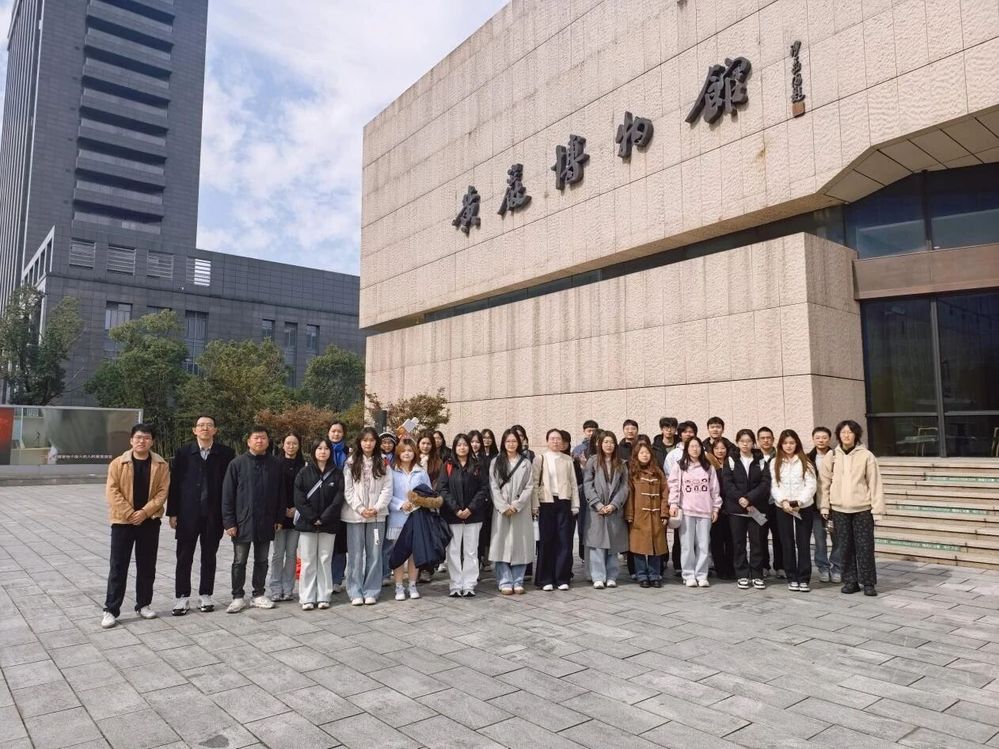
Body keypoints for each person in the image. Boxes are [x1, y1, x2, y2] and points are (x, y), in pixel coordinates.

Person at [101, 423, 170, 628]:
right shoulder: (118, 463)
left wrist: (144, 512)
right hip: (123, 522)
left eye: (146, 438)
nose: (142, 441)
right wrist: (131, 513)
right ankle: (111, 609)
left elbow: (163, 492)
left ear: (152, 441)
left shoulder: (161, 464)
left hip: (149, 521)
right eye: (138, 437)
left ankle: (143, 604)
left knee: (147, 565)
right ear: (131, 440)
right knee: (118, 566)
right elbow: (112, 491)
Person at [167, 415, 235, 616]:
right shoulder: (183, 453)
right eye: (201, 425)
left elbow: (230, 487)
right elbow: (175, 484)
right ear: (194, 430)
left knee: (209, 556)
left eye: (209, 425)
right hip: (187, 514)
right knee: (184, 556)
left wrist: (228, 515)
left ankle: (206, 594)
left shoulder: (225, 453)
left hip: (214, 514)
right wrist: (173, 512)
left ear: (215, 430)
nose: (205, 428)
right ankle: (182, 597)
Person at [222, 426, 285, 613]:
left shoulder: (275, 464)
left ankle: (258, 594)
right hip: (242, 521)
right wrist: (229, 522)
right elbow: (227, 495)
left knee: (262, 559)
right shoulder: (237, 464)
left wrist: (279, 517)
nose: (259, 441)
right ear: (248, 441)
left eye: (263, 438)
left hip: (266, 520)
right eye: (256, 438)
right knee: (239, 561)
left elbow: (281, 493)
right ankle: (237, 596)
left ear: (268, 441)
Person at [819, 420, 885, 597]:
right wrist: (824, 505)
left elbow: (875, 483)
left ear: (856, 435)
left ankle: (868, 582)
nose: (846, 435)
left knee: (865, 547)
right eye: (843, 432)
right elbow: (824, 483)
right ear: (838, 435)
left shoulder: (866, 456)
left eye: (850, 432)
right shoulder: (832, 455)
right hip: (839, 509)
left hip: (862, 509)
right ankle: (850, 581)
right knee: (844, 547)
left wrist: (877, 510)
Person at [343, 427, 393, 605]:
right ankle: (355, 591)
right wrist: (360, 508)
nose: (368, 443)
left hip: (377, 516)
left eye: (371, 440)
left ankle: (371, 590)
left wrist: (377, 507)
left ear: (376, 442)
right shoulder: (350, 462)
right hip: (355, 515)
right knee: (355, 554)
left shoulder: (384, 461)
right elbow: (348, 489)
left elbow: (388, 488)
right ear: (359, 442)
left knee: (375, 553)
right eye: (365, 440)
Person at [294, 438, 344, 610]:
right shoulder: (304, 473)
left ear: (330, 452)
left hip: (328, 524)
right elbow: (299, 498)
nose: (323, 451)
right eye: (319, 448)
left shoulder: (337, 473)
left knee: (325, 559)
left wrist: (324, 518)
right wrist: (312, 517)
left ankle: (324, 595)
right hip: (307, 524)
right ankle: (307, 597)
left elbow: (338, 499)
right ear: (314, 451)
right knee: (308, 560)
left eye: (326, 448)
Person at [439, 433, 489, 597]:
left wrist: (470, 508)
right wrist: (456, 509)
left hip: (473, 515)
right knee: (453, 550)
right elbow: (442, 489)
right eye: (459, 445)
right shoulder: (448, 465)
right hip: (452, 515)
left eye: (465, 444)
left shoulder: (477, 466)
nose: (462, 447)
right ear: (454, 447)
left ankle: (469, 584)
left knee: (471, 550)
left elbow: (483, 489)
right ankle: (455, 584)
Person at [489, 429, 537, 594]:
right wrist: (503, 506)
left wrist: (517, 505)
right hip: (501, 510)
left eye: (514, 441)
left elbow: (529, 486)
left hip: (520, 510)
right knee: (501, 544)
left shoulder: (526, 463)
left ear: (519, 442)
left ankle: (518, 580)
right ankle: (504, 581)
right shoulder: (496, 462)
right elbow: (493, 486)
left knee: (520, 544)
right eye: (508, 441)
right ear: (503, 443)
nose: (511, 444)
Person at [668, 438, 721, 588]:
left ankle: (702, 575)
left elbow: (714, 489)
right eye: (691, 446)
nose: (695, 449)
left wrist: (716, 508)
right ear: (686, 449)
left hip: (705, 511)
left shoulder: (708, 467)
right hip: (686, 511)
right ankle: (688, 575)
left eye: (697, 446)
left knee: (703, 545)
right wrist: (673, 504)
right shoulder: (680, 466)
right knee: (687, 545)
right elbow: (673, 486)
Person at [723, 429, 772, 590]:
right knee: (739, 543)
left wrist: (749, 498)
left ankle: (757, 574)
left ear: (753, 443)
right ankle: (742, 574)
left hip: (756, 508)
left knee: (757, 542)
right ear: (737, 442)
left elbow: (765, 483)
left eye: (749, 441)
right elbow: (727, 484)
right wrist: (741, 499)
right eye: (742, 441)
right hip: (736, 509)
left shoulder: (761, 460)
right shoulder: (731, 460)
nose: (745, 444)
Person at [770, 429, 817, 593]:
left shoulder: (806, 461)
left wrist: (799, 501)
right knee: (787, 542)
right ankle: (791, 577)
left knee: (803, 543)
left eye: (791, 442)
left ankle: (804, 578)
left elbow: (811, 485)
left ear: (797, 444)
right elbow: (774, 485)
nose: (788, 446)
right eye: (785, 443)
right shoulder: (775, 462)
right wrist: (783, 500)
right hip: (783, 507)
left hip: (803, 507)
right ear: (780, 445)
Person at [532, 429, 579, 591]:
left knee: (564, 541)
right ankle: (545, 579)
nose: (555, 441)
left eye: (558, 439)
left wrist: (575, 504)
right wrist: (535, 505)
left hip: (564, 501)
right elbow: (534, 482)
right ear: (547, 441)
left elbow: (573, 483)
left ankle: (562, 578)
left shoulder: (568, 459)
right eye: (552, 438)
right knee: (546, 541)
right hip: (546, 502)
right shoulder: (540, 458)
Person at [582, 431, 629, 589]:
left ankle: (611, 576)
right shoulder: (593, 461)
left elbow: (624, 487)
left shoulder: (621, 463)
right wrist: (597, 504)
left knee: (613, 545)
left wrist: (614, 505)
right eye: (606, 442)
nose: (609, 445)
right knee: (597, 544)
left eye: (611, 442)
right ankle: (598, 576)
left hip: (614, 509)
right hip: (596, 510)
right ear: (600, 444)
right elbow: (587, 484)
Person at [386, 438, 430, 601]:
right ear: (398, 453)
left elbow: (429, 493)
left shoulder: (421, 472)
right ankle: (398, 586)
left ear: (415, 453)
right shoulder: (391, 472)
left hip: (416, 517)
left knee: (413, 554)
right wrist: (400, 505)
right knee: (398, 553)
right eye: (403, 450)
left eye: (410, 450)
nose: (406, 453)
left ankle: (412, 584)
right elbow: (387, 495)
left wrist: (419, 502)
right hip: (398, 518)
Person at [625, 442, 668, 588]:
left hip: (656, 516)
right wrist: (630, 515)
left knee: (656, 547)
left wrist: (664, 513)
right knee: (639, 547)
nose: (645, 455)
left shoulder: (658, 472)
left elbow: (665, 493)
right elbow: (629, 495)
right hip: (639, 516)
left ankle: (655, 575)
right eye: (642, 453)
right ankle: (642, 575)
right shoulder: (632, 473)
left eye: (647, 452)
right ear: (636, 455)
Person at [268, 432, 304, 602]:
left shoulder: (304, 466)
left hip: (297, 515)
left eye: (294, 443)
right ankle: (275, 588)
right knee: (277, 554)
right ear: (282, 445)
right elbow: (272, 490)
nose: (291, 446)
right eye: (288, 443)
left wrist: (297, 509)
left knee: (291, 554)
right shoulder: (275, 464)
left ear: (299, 445)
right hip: (279, 516)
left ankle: (288, 588)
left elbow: (305, 491)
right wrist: (281, 510)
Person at [664, 421, 697, 576]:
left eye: (691, 431)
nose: (688, 434)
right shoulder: (673, 455)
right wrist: (674, 501)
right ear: (680, 434)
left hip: (698, 501)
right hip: (681, 500)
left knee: (698, 536)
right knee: (680, 535)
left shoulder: (701, 452)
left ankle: (697, 564)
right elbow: (669, 478)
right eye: (685, 432)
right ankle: (678, 564)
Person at [808, 427, 838, 583]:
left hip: (835, 504)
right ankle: (823, 568)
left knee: (837, 539)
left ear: (829, 439)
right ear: (813, 439)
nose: (821, 440)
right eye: (818, 437)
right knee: (820, 540)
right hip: (815, 506)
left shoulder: (837, 457)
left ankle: (837, 568)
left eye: (824, 437)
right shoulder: (807, 458)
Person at [415, 432, 444, 584]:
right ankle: (415, 569)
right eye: (423, 443)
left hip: (430, 503)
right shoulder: (413, 459)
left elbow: (439, 482)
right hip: (414, 502)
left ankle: (427, 569)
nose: (425, 446)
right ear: (418, 444)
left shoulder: (438, 462)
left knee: (429, 537)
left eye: (428, 444)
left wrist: (429, 496)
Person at [705, 439, 735, 580]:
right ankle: (720, 568)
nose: (720, 451)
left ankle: (731, 567)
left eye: (723, 448)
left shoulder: (733, 463)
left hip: (732, 507)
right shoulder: (708, 464)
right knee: (716, 539)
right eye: (717, 448)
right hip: (715, 507)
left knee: (731, 539)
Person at [757, 426, 784, 579]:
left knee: (779, 535)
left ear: (773, 440)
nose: (766, 440)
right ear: (758, 440)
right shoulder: (754, 457)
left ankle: (780, 566)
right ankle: (763, 566)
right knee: (760, 536)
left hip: (777, 503)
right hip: (760, 504)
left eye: (768, 438)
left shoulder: (780, 456)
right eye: (763, 438)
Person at [328, 421, 350, 594]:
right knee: (326, 543)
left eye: (339, 431)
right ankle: (325, 578)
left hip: (344, 502)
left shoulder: (349, 452)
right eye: (333, 431)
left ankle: (337, 578)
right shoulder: (322, 449)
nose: (336, 434)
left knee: (340, 543)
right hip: (325, 502)